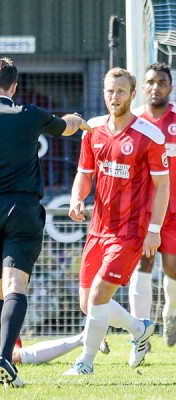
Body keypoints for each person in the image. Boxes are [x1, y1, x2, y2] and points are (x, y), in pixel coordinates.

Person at [0, 57, 89, 388]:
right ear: (14, 87)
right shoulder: (29, 115)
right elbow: (64, 125)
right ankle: (4, 360)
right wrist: (78, 120)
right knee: (16, 287)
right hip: (22, 210)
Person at [65, 67, 170, 375]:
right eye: (110, 91)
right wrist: (76, 198)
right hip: (98, 228)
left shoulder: (150, 136)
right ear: (104, 93)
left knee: (99, 295)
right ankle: (139, 329)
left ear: (132, 95)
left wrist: (154, 230)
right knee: (88, 304)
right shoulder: (93, 130)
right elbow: (84, 175)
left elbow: (162, 185)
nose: (115, 97)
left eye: (121, 91)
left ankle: (85, 363)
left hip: (131, 231)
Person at [129, 62, 176, 347]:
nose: (155, 87)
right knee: (143, 264)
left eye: (161, 82)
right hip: (143, 210)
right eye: (150, 82)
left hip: (173, 210)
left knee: (172, 268)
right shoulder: (135, 121)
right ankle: (141, 334)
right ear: (142, 88)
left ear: (170, 87)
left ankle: (170, 313)